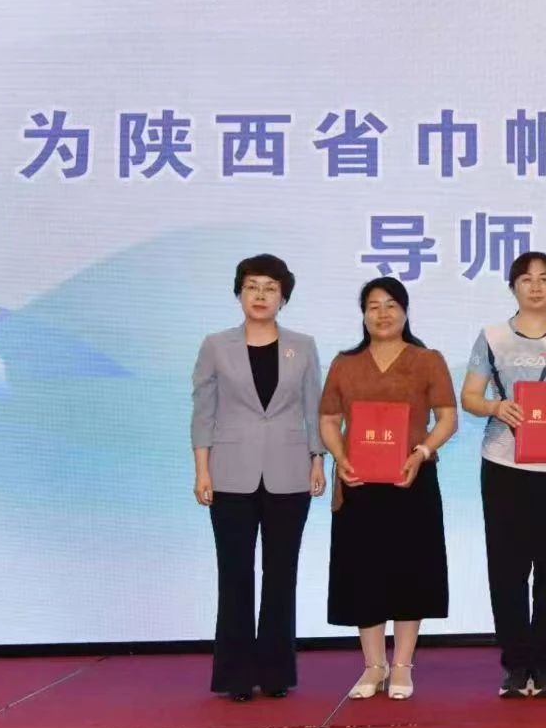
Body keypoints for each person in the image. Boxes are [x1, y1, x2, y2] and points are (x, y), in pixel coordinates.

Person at [460, 252, 546, 699]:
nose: (536, 287)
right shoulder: (492, 337)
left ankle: (545, 665)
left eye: (544, 279)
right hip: (504, 467)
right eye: (526, 279)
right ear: (513, 287)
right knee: (507, 569)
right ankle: (515, 664)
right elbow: (469, 396)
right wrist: (495, 406)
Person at [190, 254, 326, 702]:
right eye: (252, 287)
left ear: (283, 297)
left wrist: (318, 459)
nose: (261, 295)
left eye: (270, 288)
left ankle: (275, 673)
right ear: (239, 294)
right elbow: (204, 412)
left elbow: (314, 408)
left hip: (290, 472)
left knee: (281, 573)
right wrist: (202, 470)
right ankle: (235, 675)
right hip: (230, 474)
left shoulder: (303, 345)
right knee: (234, 573)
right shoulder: (215, 345)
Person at [319, 277, 457, 701]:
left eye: (391, 305)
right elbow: (328, 419)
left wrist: (422, 452)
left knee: (410, 573)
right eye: (373, 306)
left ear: (405, 311)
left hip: (411, 480)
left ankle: (402, 665)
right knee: (364, 575)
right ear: (363, 315)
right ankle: (373, 665)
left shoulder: (427, 359)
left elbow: (447, 417)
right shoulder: (345, 363)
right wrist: (340, 457)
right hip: (359, 483)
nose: (382, 313)